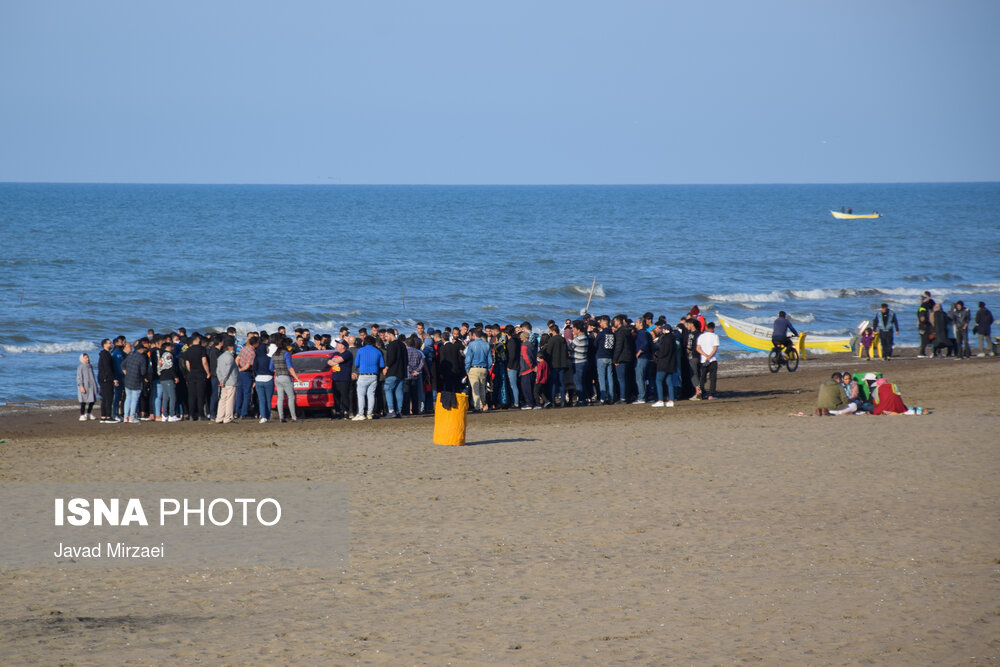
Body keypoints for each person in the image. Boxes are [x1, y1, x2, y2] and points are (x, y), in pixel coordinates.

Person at [352, 337, 384, 420]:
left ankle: (361, 413)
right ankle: (370, 414)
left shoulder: (360, 350)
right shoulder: (378, 351)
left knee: (361, 395)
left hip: (363, 375)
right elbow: (381, 365)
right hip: (374, 375)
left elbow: (356, 363)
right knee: (371, 395)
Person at [272, 336, 301, 423]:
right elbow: (290, 367)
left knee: (280, 397)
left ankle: (281, 417)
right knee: (291, 397)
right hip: (285, 376)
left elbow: (271, 367)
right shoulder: (286, 354)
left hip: (277, 377)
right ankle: (294, 417)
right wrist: (297, 378)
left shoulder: (274, 355)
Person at [183, 333, 210, 421]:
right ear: (197, 340)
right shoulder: (202, 349)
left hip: (191, 374)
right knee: (200, 395)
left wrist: (191, 372)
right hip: (200, 373)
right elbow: (204, 362)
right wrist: (208, 372)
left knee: (191, 395)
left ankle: (191, 414)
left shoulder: (188, 350)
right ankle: (201, 415)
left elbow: (187, 364)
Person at [464, 328, 492, 412]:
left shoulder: (472, 345)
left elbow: (468, 359)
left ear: (474, 335)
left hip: (474, 368)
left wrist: (467, 369)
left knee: (475, 388)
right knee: (482, 388)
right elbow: (490, 360)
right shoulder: (486, 345)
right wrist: (488, 369)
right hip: (483, 368)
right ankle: (483, 404)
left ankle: (477, 406)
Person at [382, 329, 407, 418]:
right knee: (399, 391)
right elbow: (406, 359)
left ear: (390, 334)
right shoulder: (402, 345)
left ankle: (391, 410)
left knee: (388, 389)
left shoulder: (391, 345)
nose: (385, 338)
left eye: (386, 336)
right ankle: (399, 411)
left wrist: (386, 367)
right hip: (402, 372)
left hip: (393, 372)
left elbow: (391, 358)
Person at [121, 339, 148, 423]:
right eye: (143, 349)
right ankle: (132, 417)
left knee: (128, 398)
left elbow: (122, 365)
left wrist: (126, 373)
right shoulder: (142, 358)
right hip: (137, 381)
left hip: (128, 379)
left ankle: (126, 417)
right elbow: (143, 372)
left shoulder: (130, 355)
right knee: (134, 399)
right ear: (141, 350)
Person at [652, 322, 677, 407]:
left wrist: (656, 355)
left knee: (658, 381)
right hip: (670, 363)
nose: (661, 330)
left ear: (666, 330)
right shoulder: (673, 338)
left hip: (663, 363)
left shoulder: (666, 339)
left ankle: (660, 400)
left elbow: (663, 351)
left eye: (663, 329)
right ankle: (671, 400)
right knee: (669, 382)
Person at [327, 339, 354, 419]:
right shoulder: (335, 353)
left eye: (338, 344)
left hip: (344, 379)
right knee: (336, 397)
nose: (336, 345)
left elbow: (339, 360)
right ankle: (338, 412)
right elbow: (329, 362)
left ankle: (346, 412)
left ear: (343, 346)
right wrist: (334, 361)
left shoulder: (347, 353)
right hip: (335, 378)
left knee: (345, 396)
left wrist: (335, 361)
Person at [544, 323, 569, 407]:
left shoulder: (552, 340)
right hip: (562, 363)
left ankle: (553, 401)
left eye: (550, 331)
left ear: (553, 331)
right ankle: (563, 401)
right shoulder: (562, 339)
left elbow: (549, 352)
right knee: (561, 383)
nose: (549, 332)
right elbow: (566, 351)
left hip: (554, 364)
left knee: (553, 383)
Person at [215, 337, 238, 424]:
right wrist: (223, 380)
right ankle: (228, 418)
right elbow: (228, 370)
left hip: (223, 381)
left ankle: (219, 417)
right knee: (230, 400)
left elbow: (218, 370)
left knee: (222, 399)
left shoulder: (221, 357)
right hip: (230, 381)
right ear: (230, 347)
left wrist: (220, 380)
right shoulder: (230, 357)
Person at [253, 335, 275, 423]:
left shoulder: (257, 357)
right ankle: (268, 416)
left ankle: (263, 416)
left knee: (261, 399)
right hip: (269, 378)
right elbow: (271, 369)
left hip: (259, 379)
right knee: (268, 399)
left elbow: (255, 368)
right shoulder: (269, 358)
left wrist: (256, 376)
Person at [696, 322, 720, 400]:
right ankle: (710, 395)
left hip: (703, 359)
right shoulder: (715, 336)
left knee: (702, 378)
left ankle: (700, 393)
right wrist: (709, 356)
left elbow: (698, 348)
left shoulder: (701, 336)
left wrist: (705, 355)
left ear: (706, 328)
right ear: (714, 328)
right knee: (712, 378)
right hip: (712, 359)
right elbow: (715, 348)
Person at [97, 339, 117, 422]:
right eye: (109, 343)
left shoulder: (106, 354)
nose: (111, 344)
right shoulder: (105, 354)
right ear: (104, 345)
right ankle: (108, 416)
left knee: (105, 398)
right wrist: (113, 379)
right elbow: (107, 368)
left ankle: (104, 416)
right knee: (108, 398)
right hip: (106, 379)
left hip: (104, 379)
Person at [76, 353, 98, 421]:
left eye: (87, 357)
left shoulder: (90, 366)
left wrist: (96, 386)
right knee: (83, 401)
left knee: (92, 400)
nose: (87, 359)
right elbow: (79, 377)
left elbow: (92, 376)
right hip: (84, 385)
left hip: (91, 385)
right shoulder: (81, 367)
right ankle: (82, 415)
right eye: (85, 358)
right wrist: (81, 386)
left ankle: (88, 413)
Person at [917, 292, 935, 357]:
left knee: (931, 338)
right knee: (924, 339)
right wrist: (919, 321)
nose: (921, 299)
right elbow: (921, 315)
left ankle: (932, 352)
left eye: (924, 297)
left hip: (928, 324)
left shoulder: (930, 303)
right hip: (924, 325)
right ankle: (922, 353)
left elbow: (931, 313)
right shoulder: (923, 306)